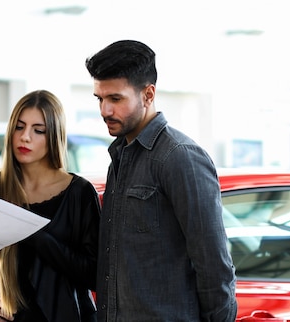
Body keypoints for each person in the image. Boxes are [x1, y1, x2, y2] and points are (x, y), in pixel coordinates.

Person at [85, 40, 238, 321]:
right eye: (99, 99)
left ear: (148, 94)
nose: (105, 110)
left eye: (115, 99)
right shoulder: (119, 157)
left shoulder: (180, 157)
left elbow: (214, 266)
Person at [0, 90, 101, 322]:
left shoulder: (80, 192)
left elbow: (94, 274)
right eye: (19, 127)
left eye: (38, 130)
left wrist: (32, 233)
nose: (25, 137)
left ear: (53, 135)